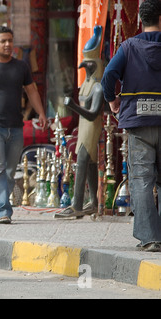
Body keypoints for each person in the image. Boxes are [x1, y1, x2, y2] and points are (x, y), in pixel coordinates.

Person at [0, 26, 47, 224]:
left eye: (10, 41)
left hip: (15, 127)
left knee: (10, 172)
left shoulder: (21, 67)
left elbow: (31, 91)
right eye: (3, 41)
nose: (7, 45)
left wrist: (41, 113)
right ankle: (3, 211)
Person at [101, 0, 161, 252]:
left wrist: (112, 100)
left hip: (138, 121)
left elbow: (108, 76)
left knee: (142, 180)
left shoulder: (128, 47)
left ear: (142, 19)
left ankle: (150, 237)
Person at [55, 25, 105, 219]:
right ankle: (92, 201)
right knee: (89, 162)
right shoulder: (87, 85)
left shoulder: (98, 88)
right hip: (84, 125)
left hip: (91, 126)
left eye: (88, 64)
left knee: (83, 160)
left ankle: (76, 205)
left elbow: (93, 114)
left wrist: (73, 106)